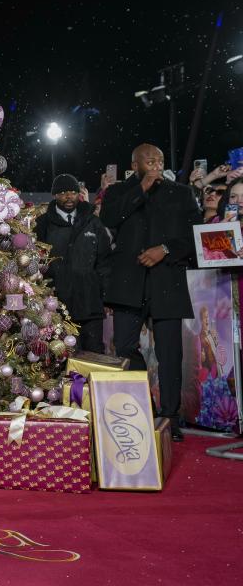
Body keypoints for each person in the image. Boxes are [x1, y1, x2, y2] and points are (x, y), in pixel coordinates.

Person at [101, 143, 201, 441]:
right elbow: (108, 220)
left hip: (167, 282)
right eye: (149, 160)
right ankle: (145, 406)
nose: (155, 164)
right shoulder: (119, 192)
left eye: (159, 160)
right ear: (135, 164)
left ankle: (170, 416)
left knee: (170, 354)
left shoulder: (181, 193)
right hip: (128, 285)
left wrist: (166, 250)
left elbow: (194, 236)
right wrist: (141, 188)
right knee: (126, 349)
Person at [34, 174, 112, 353]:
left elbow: (105, 261)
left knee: (94, 353)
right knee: (63, 355)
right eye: (62, 193)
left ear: (79, 194)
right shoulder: (42, 224)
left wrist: (106, 295)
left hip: (90, 302)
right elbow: (37, 261)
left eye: (73, 192)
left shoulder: (93, 222)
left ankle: (92, 383)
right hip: (57, 305)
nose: (69, 197)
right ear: (54, 195)